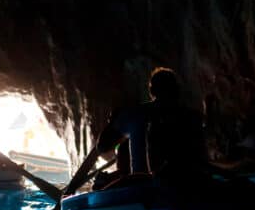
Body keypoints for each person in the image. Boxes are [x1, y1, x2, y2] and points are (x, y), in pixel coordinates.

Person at [77, 67, 208, 189]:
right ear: (177, 90)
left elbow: (103, 146)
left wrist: (113, 121)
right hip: (190, 184)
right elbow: (203, 159)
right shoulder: (193, 117)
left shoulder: (135, 113)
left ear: (152, 91)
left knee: (101, 183)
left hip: (144, 187)